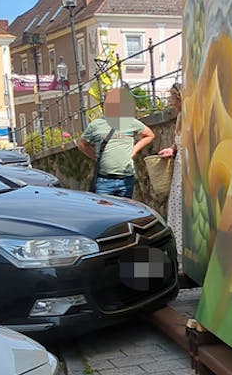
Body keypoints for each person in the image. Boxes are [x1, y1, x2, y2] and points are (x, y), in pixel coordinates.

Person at [78, 86, 153, 197]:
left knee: (126, 212)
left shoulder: (131, 122)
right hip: (104, 180)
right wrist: (96, 156)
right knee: (104, 213)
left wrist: (133, 150)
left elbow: (149, 135)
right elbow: (82, 144)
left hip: (126, 179)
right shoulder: (96, 124)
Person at [157, 83, 184, 257]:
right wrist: (172, 149)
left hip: (185, 168)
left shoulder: (191, 116)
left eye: (172, 99)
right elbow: (179, 141)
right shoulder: (181, 117)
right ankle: (178, 248)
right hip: (180, 165)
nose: (171, 103)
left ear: (180, 98)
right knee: (177, 203)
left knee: (181, 204)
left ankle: (182, 248)